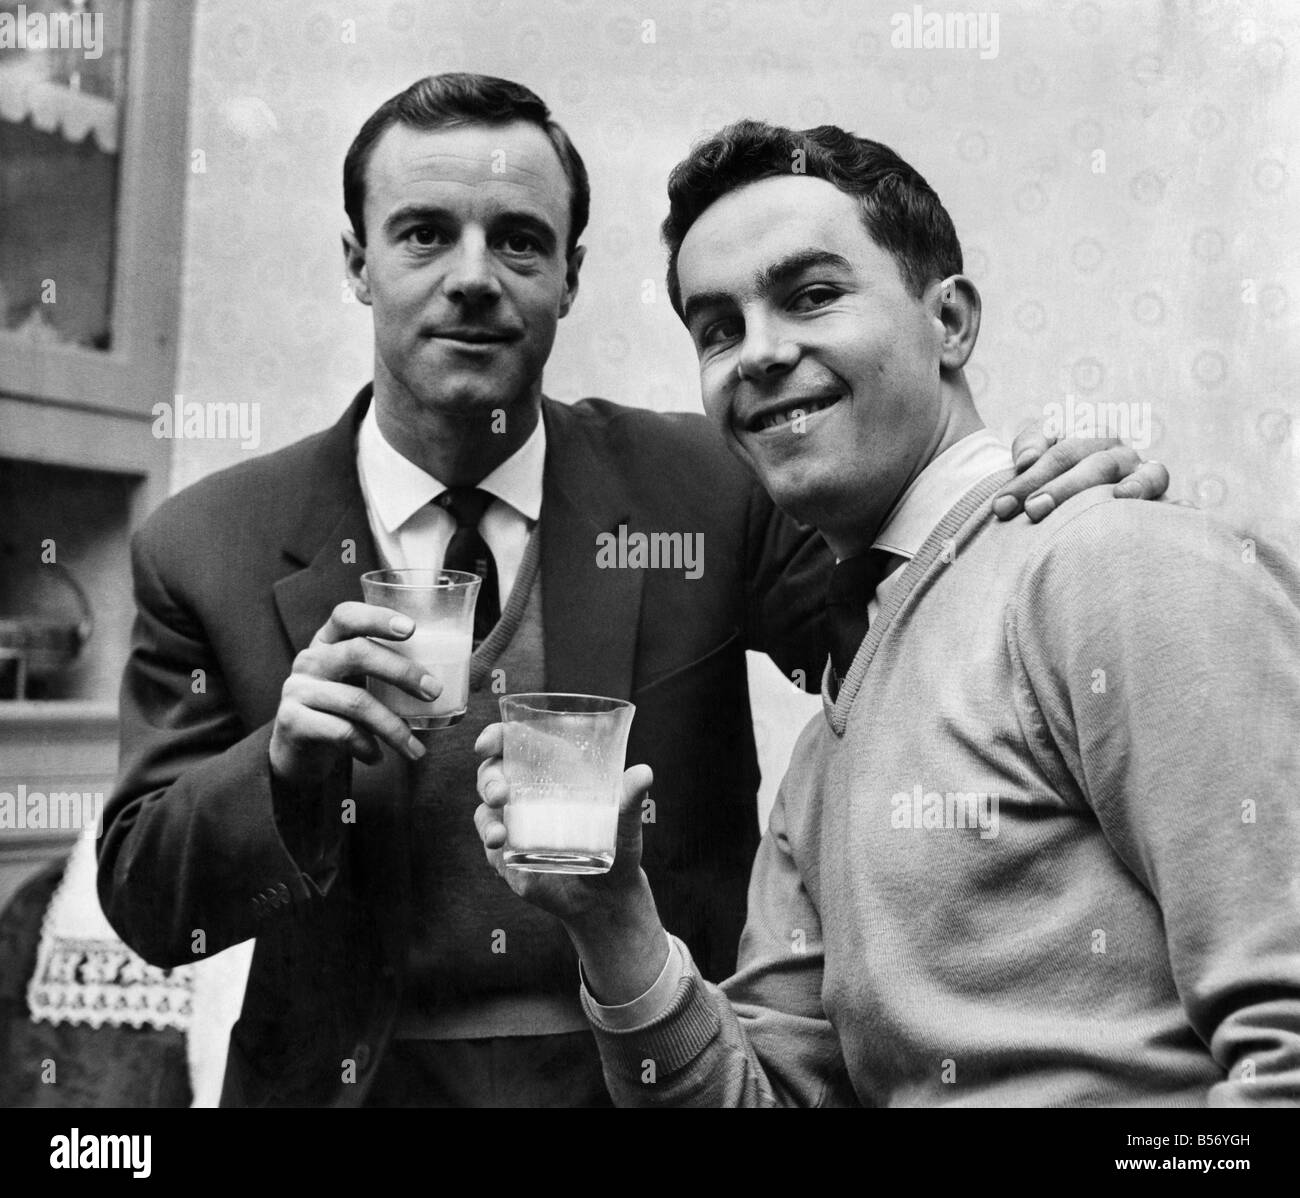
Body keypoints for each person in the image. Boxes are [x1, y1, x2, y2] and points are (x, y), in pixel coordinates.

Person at [98, 75, 1168, 1109]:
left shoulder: (705, 485)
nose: (474, 276)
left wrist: (1032, 505)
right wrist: (281, 768)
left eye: (518, 239)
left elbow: (903, 629)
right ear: (358, 262)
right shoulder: (211, 542)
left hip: (661, 1075)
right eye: (424, 232)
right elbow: (151, 907)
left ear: (568, 275)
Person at [474, 118, 1300, 1106]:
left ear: (948, 321)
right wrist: (611, 918)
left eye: (811, 296)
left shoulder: (1111, 562)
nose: (759, 355)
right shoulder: (830, 735)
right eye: (718, 328)